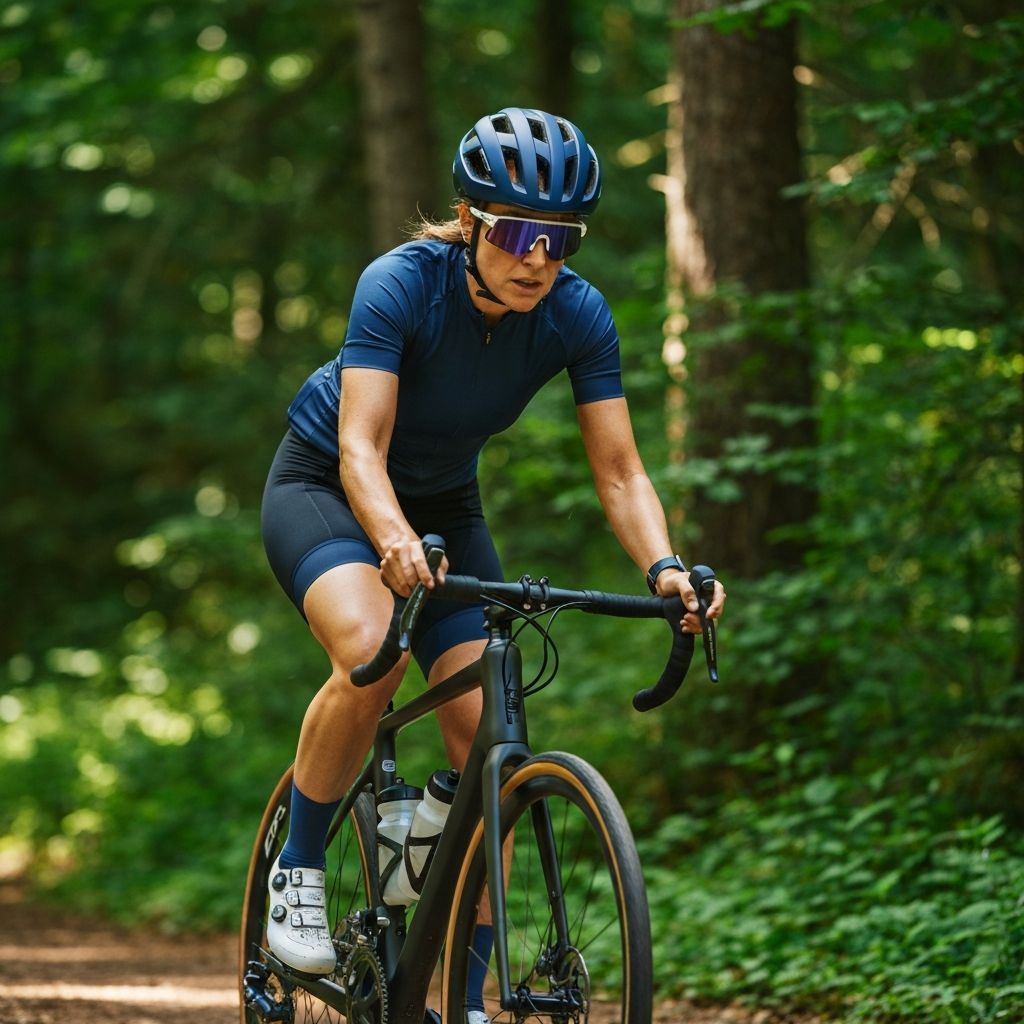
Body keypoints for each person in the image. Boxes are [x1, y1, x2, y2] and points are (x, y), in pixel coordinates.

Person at [259, 106, 727, 1008]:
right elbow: (361, 447)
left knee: (490, 745)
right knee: (372, 651)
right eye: (516, 233)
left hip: (445, 508)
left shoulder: (576, 314)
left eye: (561, 239)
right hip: (327, 486)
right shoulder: (400, 284)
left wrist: (667, 568)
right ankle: (300, 867)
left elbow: (622, 471)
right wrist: (392, 540)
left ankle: (469, 1000)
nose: (538, 259)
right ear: (470, 222)